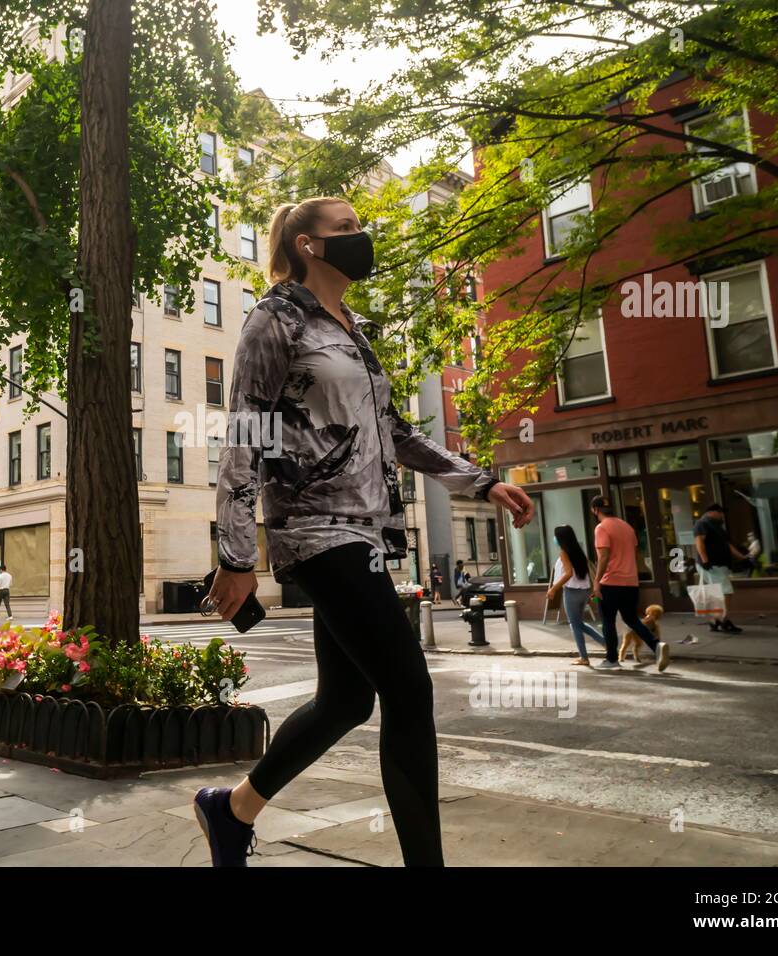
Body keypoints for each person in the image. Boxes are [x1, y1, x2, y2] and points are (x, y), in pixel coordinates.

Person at [196, 196, 536, 867]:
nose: (362, 236)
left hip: (370, 532)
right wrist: (236, 553)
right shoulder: (276, 317)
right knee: (409, 688)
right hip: (315, 529)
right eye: (346, 228)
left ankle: (231, 810)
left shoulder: (354, 330)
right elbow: (246, 431)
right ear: (307, 246)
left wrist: (479, 480)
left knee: (346, 699)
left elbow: (398, 434)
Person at [589, 495, 670, 672]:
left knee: (608, 621)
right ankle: (656, 645)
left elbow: (603, 556)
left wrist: (596, 582)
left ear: (595, 510)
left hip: (611, 582)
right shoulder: (627, 527)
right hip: (631, 582)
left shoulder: (601, 528)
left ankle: (611, 659)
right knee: (631, 619)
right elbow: (634, 554)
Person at [547, 525, 605, 666]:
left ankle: (584, 658)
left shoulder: (564, 553)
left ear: (560, 538)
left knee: (575, 624)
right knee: (578, 624)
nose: (554, 539)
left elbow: (568, 573)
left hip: (572, 592)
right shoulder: (578, 551)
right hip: (584, 592)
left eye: (555, 536)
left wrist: (553, 588)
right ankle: (606, 643)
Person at [693, 502, 745, 633]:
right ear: (711, 512)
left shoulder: (718, 526)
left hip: (719, 565)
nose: (722, 515)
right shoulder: (702, 523)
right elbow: (699, 541)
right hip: (712, 565)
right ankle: (723, 620)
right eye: (719, 512)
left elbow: (728, 545)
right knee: (726, 591)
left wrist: (743, 558)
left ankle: (714, 621)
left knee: (717, 593)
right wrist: (705, 560)